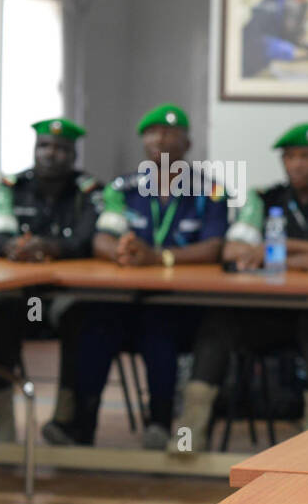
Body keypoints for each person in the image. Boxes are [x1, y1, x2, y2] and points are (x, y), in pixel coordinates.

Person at [174, 123, 308, 450]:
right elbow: (233, 251)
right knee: (217, 322)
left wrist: (281, 246)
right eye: (289, 156)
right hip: (265, 314)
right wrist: (299, 261)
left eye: (305, 156)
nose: (297, 164)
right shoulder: (264, 198)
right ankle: (188, 436)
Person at [73, 103, 226, 449]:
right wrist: (121, 251)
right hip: (128, 300)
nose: (161, 139)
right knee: (92, 325)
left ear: (187, 145)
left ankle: (159, 423)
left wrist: (157, 258)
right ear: (143, 142)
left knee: (160, 329)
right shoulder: (123, 188)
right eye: (153, 132)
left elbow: (214, 247)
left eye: (172, 133)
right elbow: (102, 236)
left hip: (186, 304)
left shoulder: (210, 191)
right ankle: (80, 429)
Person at [0, 118, 100, 442]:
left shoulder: (88, 190)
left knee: (84, 321)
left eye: (61, 148)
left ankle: (65, 420)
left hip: (64, 296)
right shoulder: (12, 186)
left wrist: (49, 247)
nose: (51, 154)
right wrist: (11, 246)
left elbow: (88, 240)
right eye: (44, 147)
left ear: (73, 154)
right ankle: (4, 420)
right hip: (21, 296)